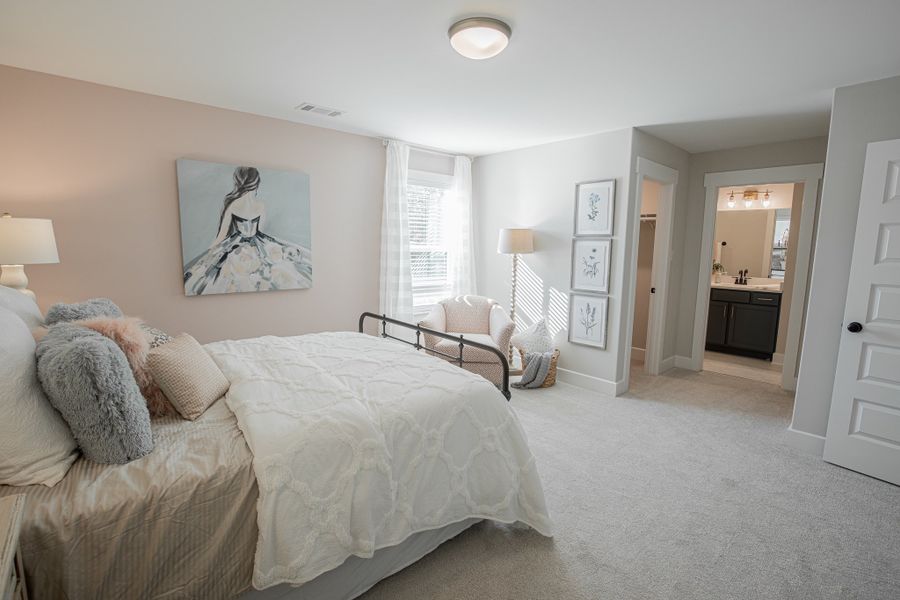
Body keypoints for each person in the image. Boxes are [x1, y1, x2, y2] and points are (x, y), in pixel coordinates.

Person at [183, 166, 312, 295]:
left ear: (238, 182)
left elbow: (221, 236)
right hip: (259, 245)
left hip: (236, 248)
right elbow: (259, 231)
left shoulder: (233, 205)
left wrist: (205, 257)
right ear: (257, 183)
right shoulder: (260, 205)